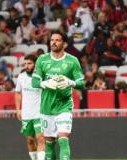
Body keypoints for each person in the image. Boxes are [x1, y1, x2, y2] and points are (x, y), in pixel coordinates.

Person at [32, 31, 84, 160]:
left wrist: (70, 82)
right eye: (52, 40)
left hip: (64, 105)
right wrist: (45, 83)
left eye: (57, 40)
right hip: (47, 107)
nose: (53, 42)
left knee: (63, 139)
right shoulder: (42, 59)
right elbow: (34, 81)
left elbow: (81, 82)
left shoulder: (72, 61)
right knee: (49, 143)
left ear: (64, 44)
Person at [15, 54, 45, 160]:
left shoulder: (42, 76)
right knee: (30, 140)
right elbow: (18, 93)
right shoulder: (21, 77)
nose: (27, 66)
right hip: (26, 114)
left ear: (35, 64)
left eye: (29, 63)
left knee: (40, 138)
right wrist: (18, 109)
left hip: (40, 113)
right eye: (25, 63)